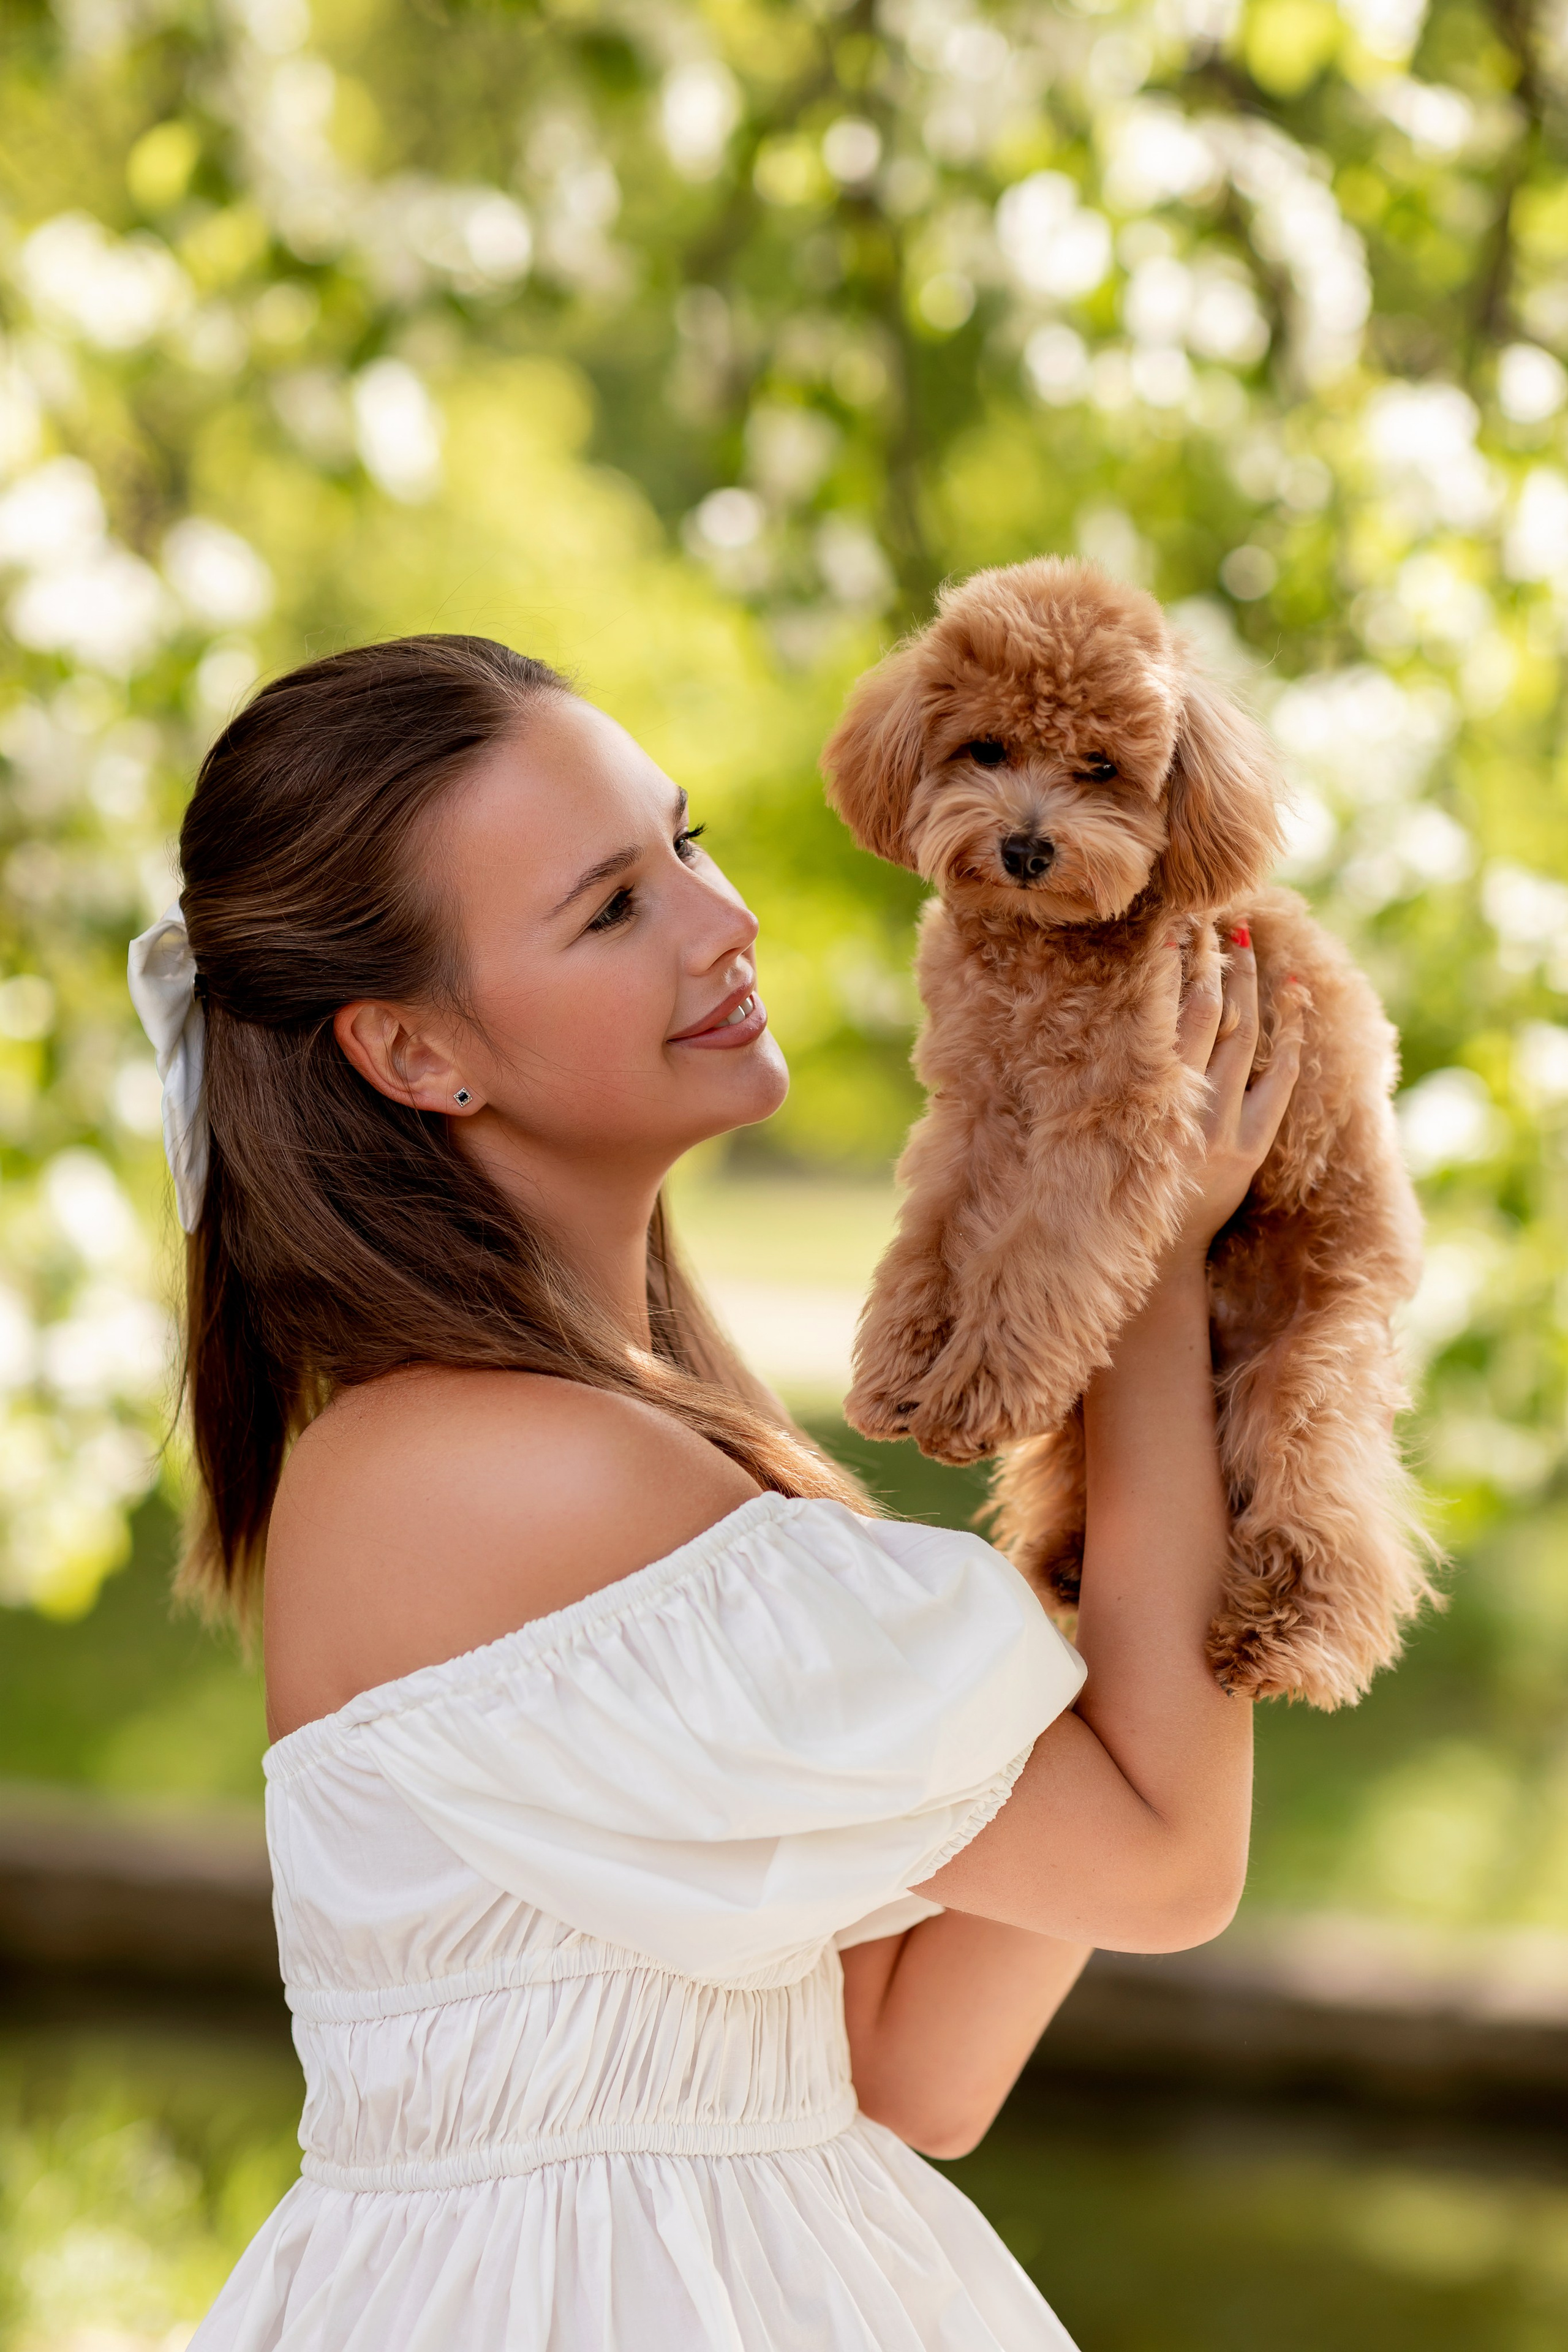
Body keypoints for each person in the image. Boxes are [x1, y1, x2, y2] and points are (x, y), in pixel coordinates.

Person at [130, 635, 1301, 2352]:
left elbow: (914, 2065)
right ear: (415, 1052)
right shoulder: (508, 1470)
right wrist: (1147, 1251)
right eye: (614, 908)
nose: (723, 919)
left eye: (683, 841)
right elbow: (1167, 1860)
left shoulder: (623, 1431)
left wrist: (1136, 1252)